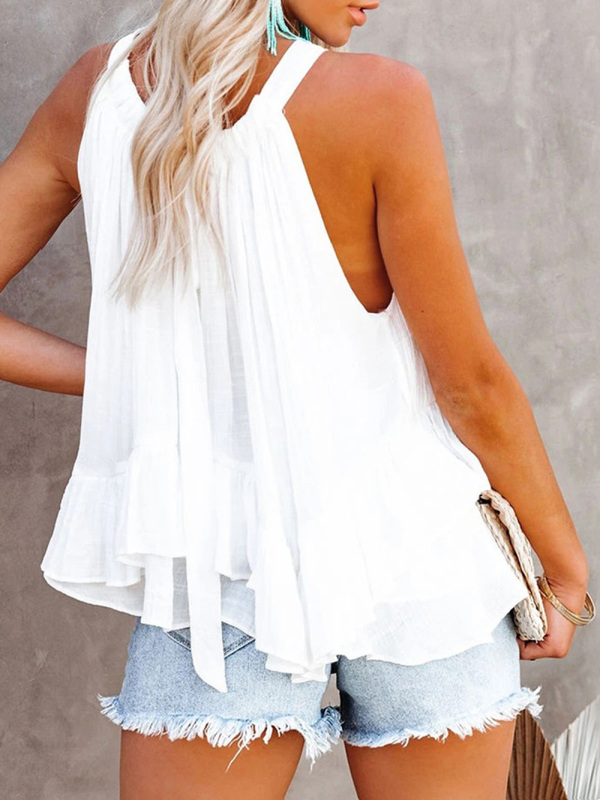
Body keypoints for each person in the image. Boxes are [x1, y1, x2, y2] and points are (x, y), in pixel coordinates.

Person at [0, 1, 593, 798]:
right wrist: (563, 566)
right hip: (419, 567)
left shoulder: (98, 90)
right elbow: (469, 384)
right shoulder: (380, 99)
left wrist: (134, 373)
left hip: (217, 581)